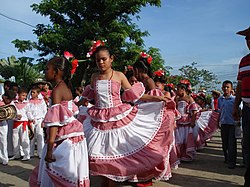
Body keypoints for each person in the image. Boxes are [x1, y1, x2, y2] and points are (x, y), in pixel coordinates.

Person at [81, 46, 176, 186]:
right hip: (98, 120)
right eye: (97, 60)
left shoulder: (119, 75)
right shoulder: (94, 77)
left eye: (104, 59)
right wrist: (70, 106)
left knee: (114, 156)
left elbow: (135, 95)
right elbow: (86, 97)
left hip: (118, 118)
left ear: (111, 59)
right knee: (99, 157)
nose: (101, 62)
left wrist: (158, 99)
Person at [29, 56, 89, 187]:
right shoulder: (64, 87)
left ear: (56, 71)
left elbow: (55, 122)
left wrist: (50, 148)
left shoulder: (56, 91)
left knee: (56, 175)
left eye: (47, 69)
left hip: (64, 139)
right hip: (73, 137)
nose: (45, 71)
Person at [233, 26, 250, 186]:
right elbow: (239, 86)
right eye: (247, 38)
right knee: (247, 143)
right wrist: (235, 106)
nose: (249, 41)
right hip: (247, 109)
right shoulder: (244, 61)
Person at [174, 80, 198, 161]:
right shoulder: (177, 99)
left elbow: (194, 110)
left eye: (178, 89)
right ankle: (179, 155)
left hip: (187, 121)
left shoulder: (189, 98)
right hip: (179, 121)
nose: (176, 91)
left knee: (186, 139)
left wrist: (193, 121)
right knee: (179, 139)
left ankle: (186, 155)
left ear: (183, 90)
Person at [218, 80, 236, 169]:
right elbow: (219, 111)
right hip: (224, 123)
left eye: (227, 87)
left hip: (232, 124)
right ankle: (226, 157)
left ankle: (232, 161)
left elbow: (239, 110)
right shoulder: (220, 99)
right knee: (224, 143)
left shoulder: (234, 99)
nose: (225, 89)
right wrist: (218, 121)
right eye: (224, 87)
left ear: (231, 89)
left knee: (231, 143)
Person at [27, 85, 47, 158]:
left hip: (39, 120)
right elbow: (28, 111)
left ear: (38, 94)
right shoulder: (29, 102)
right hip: (32, 121)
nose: (32, 94)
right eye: (31, 92)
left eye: (34, 92)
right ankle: (30, 152)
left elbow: (44, 111)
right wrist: (31, 118)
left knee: (40, 135)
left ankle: (40, 153)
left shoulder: (41, 102)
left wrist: (43, 120)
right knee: (31, 136)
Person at [11, 87, 30, 161]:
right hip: (16, 123)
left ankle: (26, 154)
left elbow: (29, 113)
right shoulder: (13, 103)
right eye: (22, 95)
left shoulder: (27, 103)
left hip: (23, 123)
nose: (24, 97)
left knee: (24, 139)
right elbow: (11, 112)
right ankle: (16, 154)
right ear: (18, 95)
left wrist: (31, 120)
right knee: (15, 139)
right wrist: (16, 115)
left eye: (25, 95)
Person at [0, 90, 16, 165]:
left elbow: (12, 112)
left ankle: (4, 159)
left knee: (3, 141)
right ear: (5, 97)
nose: (10, 102)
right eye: (9, 100)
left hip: (3, 123)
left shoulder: (9, 103)